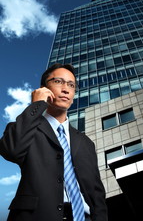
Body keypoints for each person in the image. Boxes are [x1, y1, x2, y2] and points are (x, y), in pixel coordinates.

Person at [0, 63, 108, 221]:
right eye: (58, 81)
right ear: (44, 88)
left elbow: (96, 193)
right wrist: (37, 105)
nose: (66, 89)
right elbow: (11, 150)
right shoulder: (27, 128)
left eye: (71, 85)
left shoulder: (85, 142)